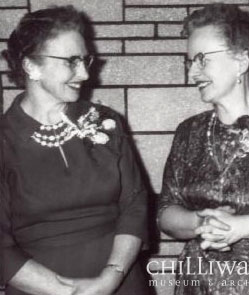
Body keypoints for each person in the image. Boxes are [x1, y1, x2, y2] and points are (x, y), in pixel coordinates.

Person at [0, 5, 149, 295]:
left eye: (85, 60)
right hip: (40, 288)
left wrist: (111, 278)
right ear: (31, 65)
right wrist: (68, 292)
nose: (83, 74)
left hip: (122, 281)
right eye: (71, 61)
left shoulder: (106, 121)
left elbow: (135, 204)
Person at [158, 3, 249, 295]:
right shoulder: (189, 132)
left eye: (202, 59)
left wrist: (247, 227)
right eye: (190, 62)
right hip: (195, 285)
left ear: (241, 62)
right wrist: (198, 221)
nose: (192, 73)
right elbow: (164, 212)